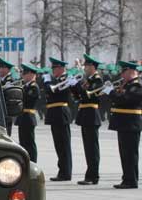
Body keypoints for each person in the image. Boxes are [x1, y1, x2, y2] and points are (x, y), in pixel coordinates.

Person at [105, 60, 142, 189]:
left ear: (131, 71)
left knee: (130, 153)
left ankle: (131, 180)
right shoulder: (127, 85)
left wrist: (111, 92)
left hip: (131, 124)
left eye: (123, 71)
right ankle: (127, 178)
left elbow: (124, 100)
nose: (121, 74)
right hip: (124, 123)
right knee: (125, 153)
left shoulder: (137, 86)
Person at [43, 57, 77, 182]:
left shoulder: (65, 79)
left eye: (55, 68)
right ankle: (62, 171)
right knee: (59, 145)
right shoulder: (57, 80)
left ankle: (66, 172)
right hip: (55, 113)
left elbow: (52, 92)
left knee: (64, 145)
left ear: (61, 68)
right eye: (53, 68)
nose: (53, 70)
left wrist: (47, 83)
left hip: (61, 113)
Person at [72, 54, 104, 185]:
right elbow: (78, 96)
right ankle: (89, 174)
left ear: (92, 67)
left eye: (87, 65)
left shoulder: (97, 80)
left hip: (92, 114)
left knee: (92, 148)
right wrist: (73, 85)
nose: (84, 67)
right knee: (87, 147)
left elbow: (89, 95)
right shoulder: (88, 79)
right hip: (85, 114)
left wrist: (79, 85)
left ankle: (93, 175)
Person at [16, 63, 41, 163]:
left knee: (29, 143)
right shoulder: (25, 86)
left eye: (25, 73)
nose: (23, 75)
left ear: (31, 74)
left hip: (29, 117)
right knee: (23, 143)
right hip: (22, 117)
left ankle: (32, 163)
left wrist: (19, 90)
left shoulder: (34, 87)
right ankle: (25, 162)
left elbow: (26, 99)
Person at [0, 57, 15, 136]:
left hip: (6, 110)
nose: (0, 70)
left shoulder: (10, 80)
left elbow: (9, 95)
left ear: (7, 69)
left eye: (2, 68)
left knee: (6, 134)